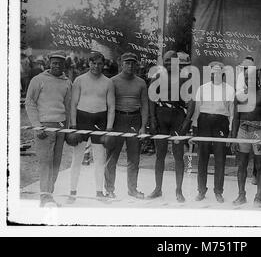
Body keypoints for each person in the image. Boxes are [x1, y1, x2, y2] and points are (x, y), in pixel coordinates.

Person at [25, 50, 72, 207]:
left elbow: (68, 107)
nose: (57, 65)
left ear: (65, 64)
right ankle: (45, 198)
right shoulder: (38, 80)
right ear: (49, 63)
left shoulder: (67, 82)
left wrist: (67, 129)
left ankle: (48, 196)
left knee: (56, 164)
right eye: (54, 62)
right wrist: (37, 126)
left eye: (60, 63)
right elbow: (29, 102)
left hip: (60, 127)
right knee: (45, 163)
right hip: (44, 127)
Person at [68, 51, 115, 202]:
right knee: (77, 158)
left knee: (99, 159)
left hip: (100, 120)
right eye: (93, 63)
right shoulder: (79, 80)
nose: (96, 66)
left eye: (99, 63)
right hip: (82, 119)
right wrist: (74, 125)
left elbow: (111, 107)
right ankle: (72, 191)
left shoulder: (108, 82)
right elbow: (73, 105)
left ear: (103, 64)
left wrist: (108, 129)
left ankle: (99, 192)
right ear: (89, 63)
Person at [147, 51, 194, 202]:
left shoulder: (185, 77)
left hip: (177, 117)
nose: (168, 63)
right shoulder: (158, 76)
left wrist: (187, 121)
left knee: (178, 154)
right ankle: (157, 188)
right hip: (161, 116)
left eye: (171, 61)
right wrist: (152, 118)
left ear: (177, 61)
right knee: (160, 154)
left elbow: (192, 101)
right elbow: (151, 99)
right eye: (166, 61)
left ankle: (179, 191)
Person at [103, 52, 148, 199]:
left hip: (135, 120)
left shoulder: (141, 82)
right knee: (112, 157)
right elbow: (107, 105)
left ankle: (132, 189)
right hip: (117, 119)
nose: (130, 65)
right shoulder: (112, 81)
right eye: (127, 62)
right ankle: (109, 189)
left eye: (133, 63)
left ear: (136, 64)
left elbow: (145, 106)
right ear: (121, 64)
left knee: (134, 158)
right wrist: (108, 126)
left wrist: (143, 127)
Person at [231, 59, 261, 208]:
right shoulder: (239, 96)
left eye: (253, 78)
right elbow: (236, 118)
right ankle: (241, 195)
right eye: (247, 78)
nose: (250, 81)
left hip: (259, 132)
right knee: (241, 165)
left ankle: (258, 197)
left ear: (257, 79)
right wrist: (233, 139)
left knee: (260, 165)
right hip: (243, 132)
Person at [192, 61, 235, 203]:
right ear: (209, 73)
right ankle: (201, 191)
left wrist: (229, 131)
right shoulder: (202, 89)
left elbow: (232, 113)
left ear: (222, 73)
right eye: (212, 72)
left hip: (221, 123)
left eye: (218, 72)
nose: (215, 74)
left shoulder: (229, 89)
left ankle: (218, 191)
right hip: (204, 122)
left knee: (220, 158)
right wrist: (195, 129)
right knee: (202, 158)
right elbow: (197, 111)